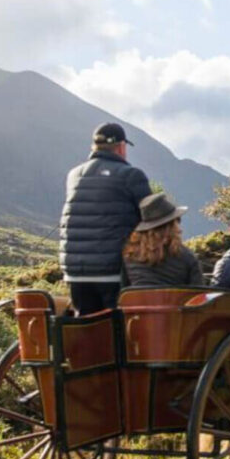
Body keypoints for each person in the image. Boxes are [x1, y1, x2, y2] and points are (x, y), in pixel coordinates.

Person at [59, 122, 151, 315]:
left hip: (75, 272)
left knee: (86, 328)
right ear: (121, 146)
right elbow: (151, 217)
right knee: (118, 331)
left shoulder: (74, 175)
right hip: (113, 270)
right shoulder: (131, 175)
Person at [124, 193, 205, 287]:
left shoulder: (129, 257)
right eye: (177, 221)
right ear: (171, 227)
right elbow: (199, 296)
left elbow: (123, 293)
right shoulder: (186, 257)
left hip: (139, 302)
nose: (180, 229)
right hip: (175, 302)